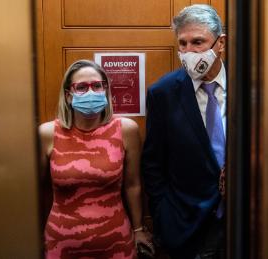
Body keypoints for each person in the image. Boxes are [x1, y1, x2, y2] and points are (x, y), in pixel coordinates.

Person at [39, 60, 154, 259]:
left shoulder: (126, 130)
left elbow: (133, 185)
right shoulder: (48, 133)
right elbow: (34, 192)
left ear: (106, 90)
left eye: (97, 86)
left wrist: (138, 229)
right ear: (68, 95)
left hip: (116, 243)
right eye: (82, 87)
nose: (91, 92)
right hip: (61, 244)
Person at [141, 4, 227, 259]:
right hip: (187, 224)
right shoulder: (163, 93)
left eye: (198, 42)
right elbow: (153, 163)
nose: (189, 52)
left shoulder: (252, 85)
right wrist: (163, 214)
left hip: (248, 220)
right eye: (183, 44)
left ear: (220, 43)